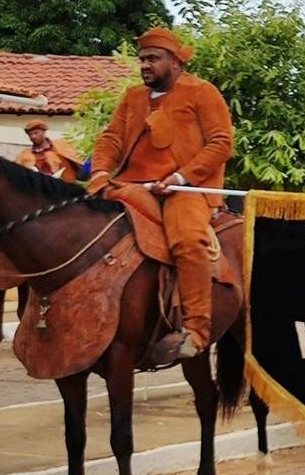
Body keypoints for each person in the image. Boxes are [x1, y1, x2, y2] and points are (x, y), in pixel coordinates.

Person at [88, 28, 233, 360]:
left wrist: (180, 176)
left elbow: (222, 143)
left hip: (185, 190)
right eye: (142, 59)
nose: (144, 65)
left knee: (188, 240)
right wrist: (99, 173)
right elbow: (110, 139)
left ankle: (196, 329)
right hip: (131, 185)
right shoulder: (133, 97)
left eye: (153, 58)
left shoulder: (203, 93)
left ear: (175, 62)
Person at [15, 120, 85, 181]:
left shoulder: (61, 145)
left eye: (36, 133)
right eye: (30, 134)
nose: (33, 136)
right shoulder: (24, 156)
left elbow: (81, 165)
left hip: (65, 188)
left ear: (43, 132)